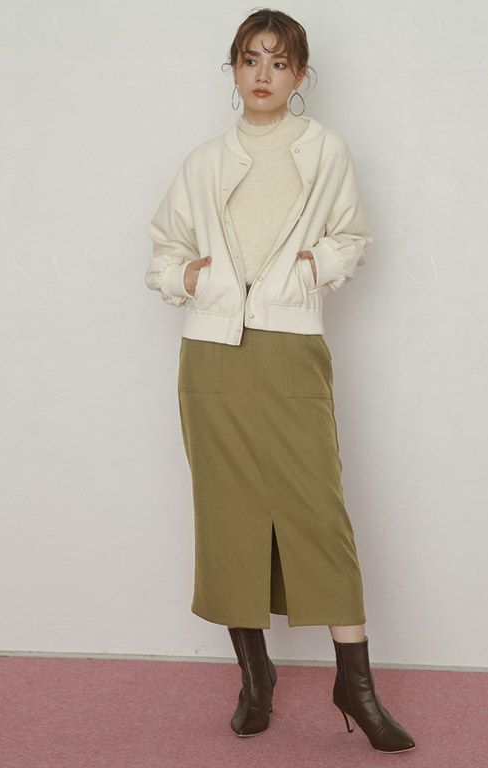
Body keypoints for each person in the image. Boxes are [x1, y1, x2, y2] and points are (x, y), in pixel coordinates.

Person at [145, 8, 415, 755]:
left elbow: (352, 236)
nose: (262, 74)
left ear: (300, 74)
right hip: (211, 353)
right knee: (228, 510)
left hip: (292, 346)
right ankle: (254, 677)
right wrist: (188, 278)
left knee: (317, 511)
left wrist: (313, 267)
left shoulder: (325, 150)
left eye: (279, 61)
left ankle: (355, 686)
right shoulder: (205, 161)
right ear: (234, 69)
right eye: (249, 59)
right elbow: (163, 249)